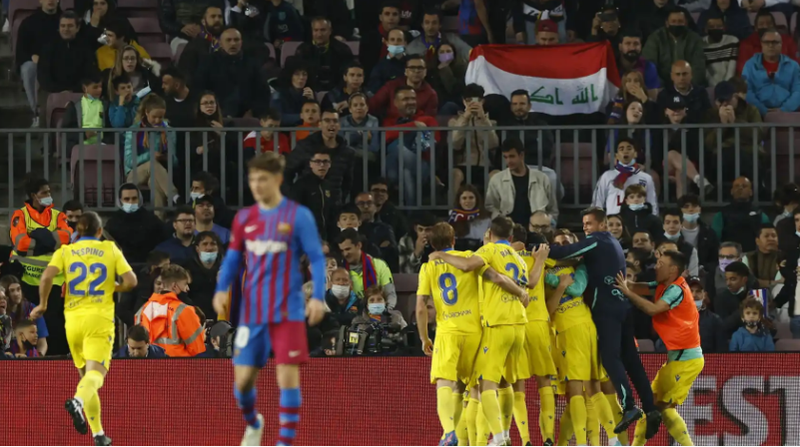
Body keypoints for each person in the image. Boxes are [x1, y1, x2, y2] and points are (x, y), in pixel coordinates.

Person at [211, 151, 327, 446]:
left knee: (287, 377)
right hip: (252, 313)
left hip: (288, 309)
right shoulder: (244, 218)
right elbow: (233, 259)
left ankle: (284, 443)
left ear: (277, 179)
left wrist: (318, 296)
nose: (256, 185)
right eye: (252, 180)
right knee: (242, 383)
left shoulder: (298, 216)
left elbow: (316, 257)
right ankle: (253, 422)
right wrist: (222, 289)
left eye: (262, 179)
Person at [548, 207, 661, 438]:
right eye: (584, 224)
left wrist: (534, 251)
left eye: (589, 223)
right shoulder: (613, 242)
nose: (586, 228)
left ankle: (629, 405)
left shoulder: (597, 240)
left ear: (602, 225)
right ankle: (650, 408)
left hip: (606, 309)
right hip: (622, 307)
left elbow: (569, 250)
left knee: (610, 358)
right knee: (631, 360)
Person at [416, 221, 529, 446]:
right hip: (476, 332)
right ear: (453, 240)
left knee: (446, 383)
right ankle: (489, 437)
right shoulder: (469, 256)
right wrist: (520, 292)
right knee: (469, 387)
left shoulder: (429, 266)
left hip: (449, 330)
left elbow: (420, 306)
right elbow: (496, 277)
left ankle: (450, 432)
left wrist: (424, 337)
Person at [35, 211, 137, 446]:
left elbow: (46, 277)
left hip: (72, 322)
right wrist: (113, 287)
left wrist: (42, 304)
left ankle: (98, 434)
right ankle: (78, 402)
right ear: (100, 232)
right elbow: (131, 281)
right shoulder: (109, 248)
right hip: (98, 321)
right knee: (96, 376)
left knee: (86, 378)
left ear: (76, 233)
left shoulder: (65, 251)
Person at [614, 250, 704, 446]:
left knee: (663, 407)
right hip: (677, 357)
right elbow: (643, 287)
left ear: (673, 269)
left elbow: (653, 309)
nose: (656, 266)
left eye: (661, 263)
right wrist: (621, 283)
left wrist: (626, 292)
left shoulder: (676, 290)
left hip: (686, 359)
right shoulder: (664, 284)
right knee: (652, 406)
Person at [544, 234, 622, 447]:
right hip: (564, 330)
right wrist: (558, 285)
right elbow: (548, 311)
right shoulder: (543, 271)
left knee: (589, 387)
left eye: (567, 242)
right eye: (558, 243)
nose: (562, 247)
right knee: (581, 391)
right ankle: (603, 441)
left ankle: (596, 441)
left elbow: (578, 289)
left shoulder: (582, 267)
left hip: (587, 328)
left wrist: (558, 283)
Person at [9, 176, 73, 354]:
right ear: (33, 196)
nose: (48, 195)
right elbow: (20, 243)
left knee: (54, 324)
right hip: (27, 281)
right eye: (44, 192)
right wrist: (49, 241)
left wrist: (37, 235)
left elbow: (66, 238)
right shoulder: (20, 215)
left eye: (49, 192)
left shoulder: (58, 215)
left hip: (54, 282)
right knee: (27, 324)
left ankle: (53, 359)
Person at [380, 86, 440, 206]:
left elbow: (431, 142)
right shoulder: (389, 121)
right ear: (396, 103)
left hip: (421, 165)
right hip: (392, 169)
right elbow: (385, 136)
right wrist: (413, 126)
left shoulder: (428, 120)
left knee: (399, 149)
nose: (411, 102)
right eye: (406, 99)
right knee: (403, 166)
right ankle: (413, 214)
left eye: (413, 99)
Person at [285, 109, 355, 207]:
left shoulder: (347, 152)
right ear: (320, 124)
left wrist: (341, 199)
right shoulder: (305, 146)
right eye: (327, 121)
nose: (331, 124)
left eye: (335, 121)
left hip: (334, 207)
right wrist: (294, 197)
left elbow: (348, 181)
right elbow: (287, 171)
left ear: (339, 125)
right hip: (308, 206)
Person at [195, 27, 270, 118]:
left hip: (248, 116)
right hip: (216, 114)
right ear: (220, 43)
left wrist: (253, 112)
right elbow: (200, 89)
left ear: (241, 42)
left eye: (236, 40)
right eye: (228, 40)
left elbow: (263, 93)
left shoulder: (252, 63)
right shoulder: (208, 62)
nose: (233, 43)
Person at [124, 94, 178, 217]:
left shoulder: (169, 131)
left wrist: (167, 157)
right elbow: (128, 162)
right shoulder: (133, 130)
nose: (158, 121)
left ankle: (159, 219)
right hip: (134, 174)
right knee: (152, 165)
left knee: (154, 180)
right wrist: (150, 156)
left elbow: (175, 162)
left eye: (161, 117)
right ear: (146, 113)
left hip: (160, 173)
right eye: (154, 117)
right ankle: (174, 195)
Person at [136, 264, 206, 357]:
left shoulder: (143, 309)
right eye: (185, 284)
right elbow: (197, 350)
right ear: (174, 286)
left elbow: (136, 346)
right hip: (179, 368)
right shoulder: (184, 311)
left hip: (149, 368)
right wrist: (202, 336)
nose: (187, 288)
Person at [485, 138, 557, 226]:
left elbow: (552, 209)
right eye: (505, 157)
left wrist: (548, 225)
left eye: (512, 156)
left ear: (521, 155)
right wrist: (502, 222)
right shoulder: (497, 180)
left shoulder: (542, 178)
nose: (508, 161)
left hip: (537, 230)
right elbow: (490, 207)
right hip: (508, 231)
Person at [16, 0, 62, 127]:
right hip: (36, 63)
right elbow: (20, 51)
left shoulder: (66, 21)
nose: (50, 1)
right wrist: (32, 56)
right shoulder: (29, 23)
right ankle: (37, 112)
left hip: (61, 61)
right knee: (28, 68)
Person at [449, 83, 499, 190]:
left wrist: (483, 119)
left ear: (482, 102)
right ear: (463, 101)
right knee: (455, 175)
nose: (472, 103)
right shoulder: (454, 122)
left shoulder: (491, 122)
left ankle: (490, 207)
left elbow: (493, 144)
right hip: (463, 165)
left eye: (476, 100)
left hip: (485, 165)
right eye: (468, 100)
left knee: (496, 175)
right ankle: (452, 207)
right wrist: (465, 118)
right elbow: (455, 144)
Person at [38, 11, 99, 95]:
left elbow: (90, 74)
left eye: (70, 26)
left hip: (79, 93)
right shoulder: (48, 48)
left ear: (77, 28)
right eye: (63, 26)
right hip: (54, 93)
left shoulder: (85, 47)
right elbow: (43, 77)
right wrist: (61, 91)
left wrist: (73, 91)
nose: (66, 29)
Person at [593, 138, 658, 216]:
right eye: (621, 149)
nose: (625, 151)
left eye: (629, 148)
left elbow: (652, 204)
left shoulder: (646, 178)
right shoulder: (607, 176)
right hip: (614, 224)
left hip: (638, 222)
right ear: (616, 155)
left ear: (635, 154)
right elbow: (597, 203)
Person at [742, 28, 800, 116]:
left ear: (781, 44)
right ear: (761, 44)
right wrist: (763, 110)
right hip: (757, 114)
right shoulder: (750, 65)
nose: (770, 45)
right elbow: (747, 91)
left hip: (788, 114)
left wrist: (784, 110)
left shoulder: (793, 66)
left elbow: (798, 91)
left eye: (775, 42)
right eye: (766, 42)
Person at [643, 9, 707, 88]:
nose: (676, 24)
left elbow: (699, 68)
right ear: (667, 23)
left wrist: (687, 86)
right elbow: (650, 65)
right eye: (673, 21)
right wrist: (663, 87)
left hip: (689, 86)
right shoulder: (655, 38)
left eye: (680, 21)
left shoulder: (694, 39)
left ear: (686, 23)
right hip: (662, 87)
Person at [104, 184, 168, 263]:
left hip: (147, 265)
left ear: (139, 199)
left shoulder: (151, 219)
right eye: (126, 199)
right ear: (120, 200)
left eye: (134, 198)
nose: (131, 202)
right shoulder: (113, 222)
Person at [337, 229, 397, 308]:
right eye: (342, 250)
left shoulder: (379, 265)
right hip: (350, 315)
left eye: (348, 249)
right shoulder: (340, 270)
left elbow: (390, 294)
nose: (345, 254)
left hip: (379, 313)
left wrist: (386, 311)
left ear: (359, 245)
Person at [368, 54, 439, 120]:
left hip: (416, 129)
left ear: (425, 72)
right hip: (392, 127)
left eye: (420, 68)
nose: (416, 71)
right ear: (406, 71)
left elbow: (428, 120)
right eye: (412, 68)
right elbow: (373, 105)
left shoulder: (431, 94)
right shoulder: (391, 86)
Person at [712, 177, 771, 252]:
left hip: (753, 258)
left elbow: (767, 240)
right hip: (729, 258)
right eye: (737, 186)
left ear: (751, 192)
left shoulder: (760, 215)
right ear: (732, 191)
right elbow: (715, 241)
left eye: (744, 186)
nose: (740, 188)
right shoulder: (721, 215)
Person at [296, 17, 355, 91]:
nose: (319, 34)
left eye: (323, 30)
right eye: (316, 30)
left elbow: (348, 74)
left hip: (337, 91)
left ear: (330, 31)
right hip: (309, 91)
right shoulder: (302, 50)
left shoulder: (342, 50)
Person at [288, 149, 336, 241]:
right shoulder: (301, 185)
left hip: (325, 237)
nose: (322, 165)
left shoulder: (328, 185)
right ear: (311, 164)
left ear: (330, 164)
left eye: (325, 161)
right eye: (317, 161)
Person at [497, 90, 555, 162]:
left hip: (537, 166)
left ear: (529, 106)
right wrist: (533, 141)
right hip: (511, 166)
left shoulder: (540, 124)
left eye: (522, 104)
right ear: (511, 107)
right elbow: (504, 148)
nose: (518, 107)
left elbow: (546, 148)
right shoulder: (505, 125)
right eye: (515, 104)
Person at [736, 9, 798, 74]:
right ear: (756, 28)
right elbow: (743, 69)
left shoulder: (787, 41)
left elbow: (796, 64)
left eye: (769, 23)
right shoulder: (746, 44)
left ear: (774, 26)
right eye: (761, 24)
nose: (765, 26)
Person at [1, 275, 49, 356]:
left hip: (29, 358)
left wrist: (39, 357)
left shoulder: (32, 309)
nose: (16, 294)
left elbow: (42, 341)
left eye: (18, 289)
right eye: (12, 291)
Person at [61, 74, 112, 149]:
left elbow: (111, 130)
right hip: (80, 147)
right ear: (84, 88)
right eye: (95, 87)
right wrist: (84, 134)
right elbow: (65, 131)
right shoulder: (74, 107)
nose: (99, 90)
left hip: (102, 147)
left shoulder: (106, 106)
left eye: (100, 86)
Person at [176, 5, 225, 83]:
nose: (217, 19)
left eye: (220, 17)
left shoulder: (229, 41)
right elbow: (186, 76)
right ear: (203, 22)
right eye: (213, 16)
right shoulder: (193, 47)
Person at [182, 231, 222, 321]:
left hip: (221, 318)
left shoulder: (227, 267)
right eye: (205, 244)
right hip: (194, 318)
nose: (209, 248)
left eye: (213, 244)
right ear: (197, 248)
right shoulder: (187, 268)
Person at [656, 60, 712, 124]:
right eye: (678, 74)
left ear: (691, 75)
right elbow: (659, 119)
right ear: (672, 76)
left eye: (684, 74)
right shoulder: (664, 95)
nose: (681, 78)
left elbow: (708, 116)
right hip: (672, 132)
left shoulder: (701, 92)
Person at [408, 9, 472, 65]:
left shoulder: (452, 40)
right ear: (422, 25)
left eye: (434, 23)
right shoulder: (413, 48)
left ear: (440, 25)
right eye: (427, 23)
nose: (430, 27)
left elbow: (471, 54)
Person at [355, 192, 399, 271]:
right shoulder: (351, 228)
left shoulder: (386, 229)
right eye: (361, 204)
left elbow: (392, 251)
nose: (365, 207)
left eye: (369, 203)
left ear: (375, 208)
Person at [231, 0, 304, 47]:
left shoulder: (288, 9)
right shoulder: (258, 7)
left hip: (280, 47)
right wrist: (239, 5)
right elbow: (237, 25)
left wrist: (283, 41)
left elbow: (298, 33)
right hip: (258, 45)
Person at [678, 194, 720, 271]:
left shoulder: (709, 233)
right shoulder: (674, 233)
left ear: (700, 209)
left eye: (694, 206)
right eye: (686, 206)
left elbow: (715, 259)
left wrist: (704, 268)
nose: (691, 209)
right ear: (681, 210)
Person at [270, 60, 317, 126]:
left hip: (305, 132)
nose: (301, 77)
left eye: (304, 74)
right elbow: (276, 118)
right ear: (290, 76)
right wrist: (301, 116)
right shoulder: (278, 94)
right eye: (297, 74)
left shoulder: (309, 93)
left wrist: (312, 101)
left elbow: (318, 117)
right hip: (284, 132)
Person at [689, 276, 728, 353]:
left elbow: (722, 351)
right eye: (691, 291)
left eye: (698, 291)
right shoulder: (677, 320)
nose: (694, 295)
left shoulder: (715, 320)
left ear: (704, 295)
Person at [715, 261, 754, 336]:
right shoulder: (720, 298)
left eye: (732, 279)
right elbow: (723, 326)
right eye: (726, 279)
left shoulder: (754, 294)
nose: (728, 283)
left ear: (744, 280)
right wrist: (743, 307)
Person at [616, 30, 660, 96]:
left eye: (636, 44)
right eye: (628, 43)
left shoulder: (648, 67)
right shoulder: (612, 66)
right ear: (620, 47)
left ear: (641, 46)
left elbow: (652, 98)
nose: (632, 48)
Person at [703, 13, 739, 87]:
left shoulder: (732, 41)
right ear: (706, 29)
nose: (715, 29)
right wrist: (715, 87)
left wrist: (725, 86)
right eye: (712, 27)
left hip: (729, 85)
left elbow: (731, 70)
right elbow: (706, 72)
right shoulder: (700, 44)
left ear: (724, 28)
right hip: (710, 87)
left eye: (719, 26)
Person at [662, 210, 700, 276]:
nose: (671, 226)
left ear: (681, 225)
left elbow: (693, 276)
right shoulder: (655, 247)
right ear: (663, 226)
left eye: (675, 222)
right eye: (668, 223)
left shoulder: (690, 250)